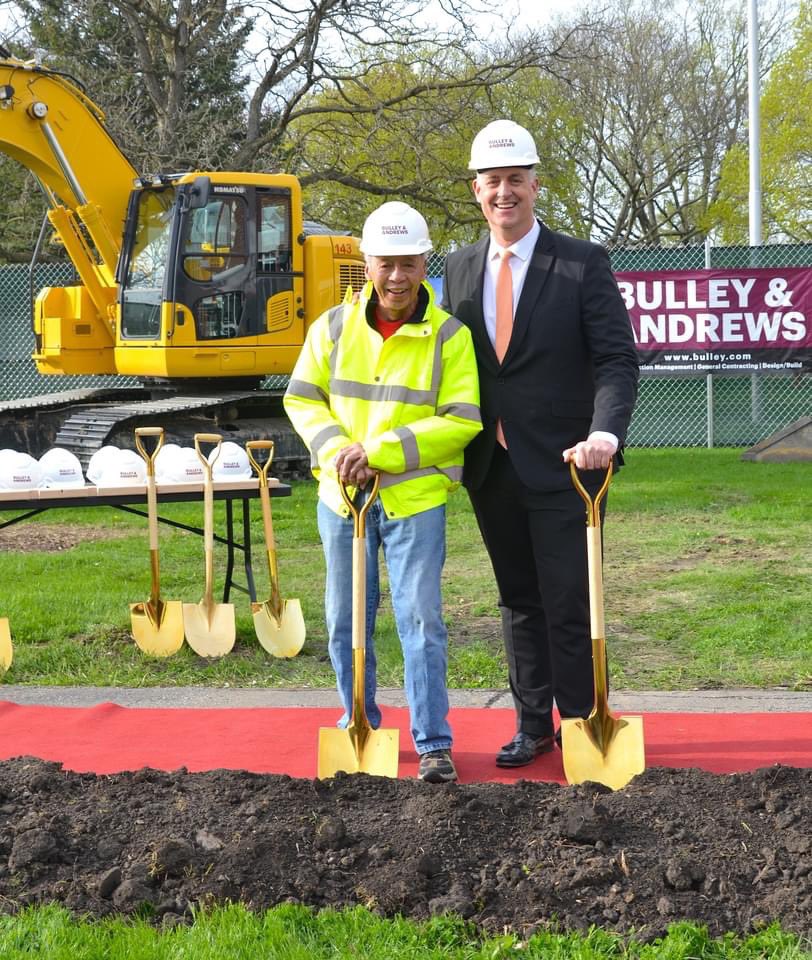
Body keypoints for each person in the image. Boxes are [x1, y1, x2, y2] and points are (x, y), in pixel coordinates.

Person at [441, 120, 640, 768]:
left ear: (535, 185)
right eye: (493, 181)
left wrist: (603, 435)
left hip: (570, 466)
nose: (505, 192)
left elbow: (616, 361)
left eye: (516, 180)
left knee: (569, 600)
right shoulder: (459, 267)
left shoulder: (582, 263)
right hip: (492, 466)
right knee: (518, 600)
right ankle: (533, 725)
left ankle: (583, 724)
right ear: (477, 190)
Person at [284, 201, 482, 783]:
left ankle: (434, 744)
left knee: (420, 619)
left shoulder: (450, 337)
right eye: (386, 264)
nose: (396, 277)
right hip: (342, 501)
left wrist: (378, 452)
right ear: (366, 263)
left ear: (426, 264)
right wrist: (336, 452)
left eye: (409, 264)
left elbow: (462, 419)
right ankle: (358, 723)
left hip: (414, 502)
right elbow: (301, 398)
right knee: (345, 621)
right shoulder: (332, 327)